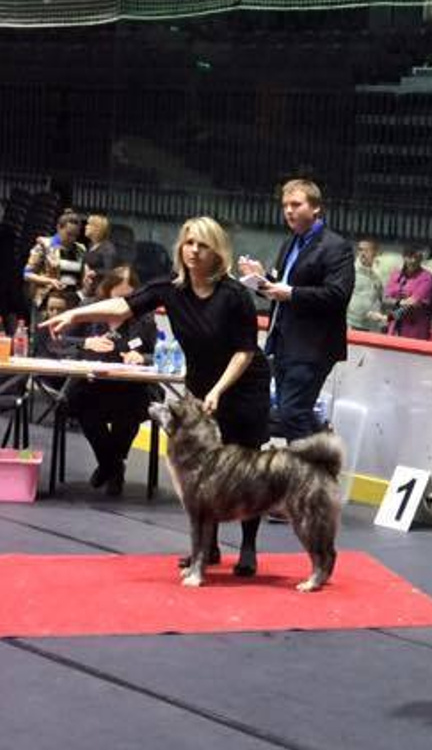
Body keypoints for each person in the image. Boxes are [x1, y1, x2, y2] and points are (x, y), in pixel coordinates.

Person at [45, 217, 272, 575]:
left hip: (243, 385)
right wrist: (75, 313)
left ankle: (247, 547)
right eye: (189, 243)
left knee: (246, 468)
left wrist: (218, 390)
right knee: (204, 470)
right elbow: (122, 306)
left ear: (217, 252)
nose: (194, 251)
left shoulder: (234, 295)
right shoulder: (170, 288)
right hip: (203, 384)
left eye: (203, 245)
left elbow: (244, 351)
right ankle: (207, 547)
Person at [240, 178, 353, 441]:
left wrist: (290, 293)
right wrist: (261, 279)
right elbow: (281, 289)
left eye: (296, 204)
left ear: (316, 208)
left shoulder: (335, 246)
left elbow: (338, 295)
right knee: (291, 412)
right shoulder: (290, 243)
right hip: (283, 342)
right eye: (285, 205)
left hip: (313, 346)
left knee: (292, 413)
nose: (288, 211)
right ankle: (322, 456)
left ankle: (308, 465)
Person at [63, 264, 157, 496]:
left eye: (129, 298)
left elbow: (156, 354)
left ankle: (109, 467)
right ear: (107, 292)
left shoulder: (144, 318)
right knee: (85, 408)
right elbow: (58, 341)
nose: (122, 305)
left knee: (131, 410)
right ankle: (112, 466)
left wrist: (141, 357)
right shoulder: (87, 310)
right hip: (91, 385)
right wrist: (85, 343)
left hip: (129, 387)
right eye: (118, 298)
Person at [25, 210, 86, 311]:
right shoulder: (45, 245)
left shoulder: (80, 249)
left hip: (70, 302)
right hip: (46, 302)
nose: (72, 239)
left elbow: (82, 276)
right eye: (69, 234)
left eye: (75, 235)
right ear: (59, 228)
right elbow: (27, 274)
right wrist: (50, 281)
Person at [382, 245, 432, 340]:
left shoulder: (427, 278)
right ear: (404, 257)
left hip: (415, 332)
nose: (413, 261)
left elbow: (410, 305)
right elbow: (385, 299)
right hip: (394, 330)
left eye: (417, 257)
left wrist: (388, 317)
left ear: (421, 259)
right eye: (410, 257)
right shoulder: (396, 275)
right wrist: (399, 302)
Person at [349, 238, 389, 332]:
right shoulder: (350, 271)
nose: (362, 253)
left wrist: (383, 323)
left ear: (375, 252)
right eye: (360, 249)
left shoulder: (379, 274)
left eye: (367, 250)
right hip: (352, 324)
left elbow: (382, 299)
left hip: (372, 326)